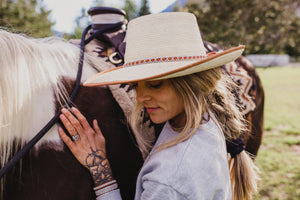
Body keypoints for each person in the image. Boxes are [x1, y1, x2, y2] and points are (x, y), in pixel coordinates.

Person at [58, 12, 260, 200]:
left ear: (192, 83)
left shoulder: (168, 178)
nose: (140, 97)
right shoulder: (207, 118)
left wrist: (99, 167)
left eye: (155, 84)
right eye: (135, 85)